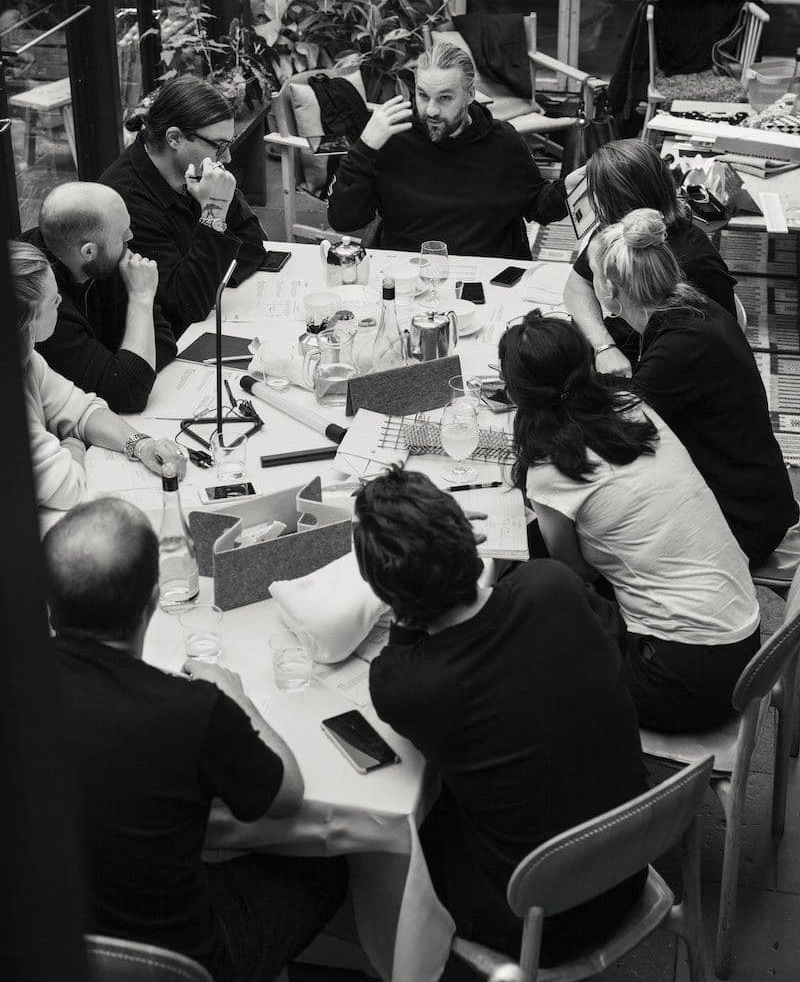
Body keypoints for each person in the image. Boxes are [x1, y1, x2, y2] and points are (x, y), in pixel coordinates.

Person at [357, 467, 648, 970]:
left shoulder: (404, 686)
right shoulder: (551, 582)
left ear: (387, 596)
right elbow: (612, 641)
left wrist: (406, 606)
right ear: (470, 537)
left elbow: (400, 655)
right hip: (631, 864)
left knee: (395, 838)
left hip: (539, 920)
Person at [45, 498, 348, 981]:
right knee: (327, 869)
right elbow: (287, 796)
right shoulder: (193, 711)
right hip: (178, 964)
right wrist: (235, 699)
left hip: (41, 943)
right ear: (152, 602)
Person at [499, 305, 762, 732]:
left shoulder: (549, 470)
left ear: (515, 396)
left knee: (518, 650)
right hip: (744, 645)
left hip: (681, 677)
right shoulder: (632, 406)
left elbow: (574, 575)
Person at [590, 207, 798, 568]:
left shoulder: (678, 349)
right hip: (755, 495)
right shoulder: (687, 306)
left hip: (739, 524)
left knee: (598, 537)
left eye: (592, 275)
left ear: (609, 290)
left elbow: (618, 434)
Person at [327, 41, 567, 258]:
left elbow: (538, 206)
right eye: (423, 95)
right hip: (408, 272)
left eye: (444, 98)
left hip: (487, 275)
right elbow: (344, 220)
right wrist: (365, 147)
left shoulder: (504, 142)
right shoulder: (391, 138)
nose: (431, 110)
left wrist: (566, 190)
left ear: (469, 95)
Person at [9, 241, 184, 511]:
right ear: (28, 322)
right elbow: (66, 488)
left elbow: (80, 409)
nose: (60, 303)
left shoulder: (29, 359)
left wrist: (141, 444)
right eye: (53, 301)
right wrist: (73, 447)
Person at [98, 77, 268, 336]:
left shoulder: (199, 170)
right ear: (175, 138)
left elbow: (253, 246)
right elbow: (186, 305)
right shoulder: (126, 201)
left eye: (229, 144)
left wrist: (205, 278)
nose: (227, 157)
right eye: (219, 146)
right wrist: (213, 212)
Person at [563, 139, 736, 376]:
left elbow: (718, 349)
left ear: (612, 201)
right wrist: (604, 345)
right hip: (629, 349)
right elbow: (576, 287)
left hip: (669, 366)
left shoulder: (696, 263)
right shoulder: (617, 232)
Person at [25, 182, 176, 414]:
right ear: (88, 251)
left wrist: (119, 365)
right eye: (122, 234)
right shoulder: (42, 298)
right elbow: (128, 392)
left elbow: (163, 340)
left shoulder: (100, 262)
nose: (131, 237)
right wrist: (141, 298)